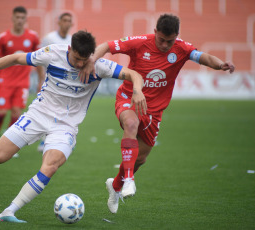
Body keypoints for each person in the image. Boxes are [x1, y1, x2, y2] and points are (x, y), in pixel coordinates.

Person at [0, 30, 147, 223]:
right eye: (76, 58)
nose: (80, 64)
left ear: (91, 55)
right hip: (38, 115)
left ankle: (9, 211)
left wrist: (138, 90)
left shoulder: (99, 66)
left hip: (65, 126)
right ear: (69, 49)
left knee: (51, 165)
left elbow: (133, 74)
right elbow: (15, 58)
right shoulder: (53, 53)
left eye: (84, 59)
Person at [79, 13, 235, 213]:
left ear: (177, 36)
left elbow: (203, 57)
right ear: (155, 33)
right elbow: (108, 46)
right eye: (161, 40)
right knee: (131, 125)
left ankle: (116, 185)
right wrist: (92, 59)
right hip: (129, 97)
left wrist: (220, 64)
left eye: (169, 41)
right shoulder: (140, 42)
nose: (164, 45)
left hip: (155, 110)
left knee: (140, 159)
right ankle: (129, 180)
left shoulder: (182, 48)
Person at [0, 6, 45, 156]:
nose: (19, 20)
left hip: (22, 82)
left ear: (25, 19)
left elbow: (38, 60)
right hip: (4, 81)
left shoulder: (32, 37)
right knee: (0, 113)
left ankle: (7, 144)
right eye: (17, 17)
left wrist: (41, 80)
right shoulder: (3, 37)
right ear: (13, 18)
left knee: (16, 113)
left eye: (22, 18)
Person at [36, 12, 73, 152]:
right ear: (59, 22)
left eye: (69, 21)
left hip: (66, 82)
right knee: (46, 109)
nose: (67, 23)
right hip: (49, 80)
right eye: (64, 20)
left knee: (63, 111)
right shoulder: (49, 38)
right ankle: (43, 138)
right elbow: (39, 58)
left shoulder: (72, 39)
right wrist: (40, 79)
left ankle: (52, 139)